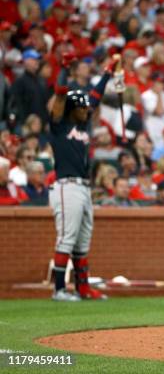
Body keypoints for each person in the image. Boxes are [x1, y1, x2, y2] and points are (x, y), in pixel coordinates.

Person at [48, 52, 120, 302]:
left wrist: (108, 73)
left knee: (82, 240)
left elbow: (96, 98)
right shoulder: (59, 124)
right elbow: (59, 94)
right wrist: (64, 69)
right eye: (80, 107)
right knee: (67, 237)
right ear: (71, 108)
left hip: (83, 187)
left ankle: (82, 288)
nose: (85, 110)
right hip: (66, 186)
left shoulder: (82, 123)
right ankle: (58, 289)